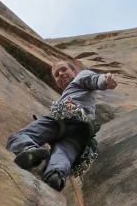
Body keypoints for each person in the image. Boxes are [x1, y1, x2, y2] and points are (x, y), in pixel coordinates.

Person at [6, 60, 117, 191]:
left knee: (19, 137)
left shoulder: (81, 75)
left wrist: (105, 80)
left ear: (75, 72)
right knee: (63, 154)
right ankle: (55, 174)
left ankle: (27, 149)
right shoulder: (72, 90)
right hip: (81, 133)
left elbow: (95, 79)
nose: (61, 74)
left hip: (66, 115)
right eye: (57, 74)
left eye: (64, 69)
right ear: (57, 83)